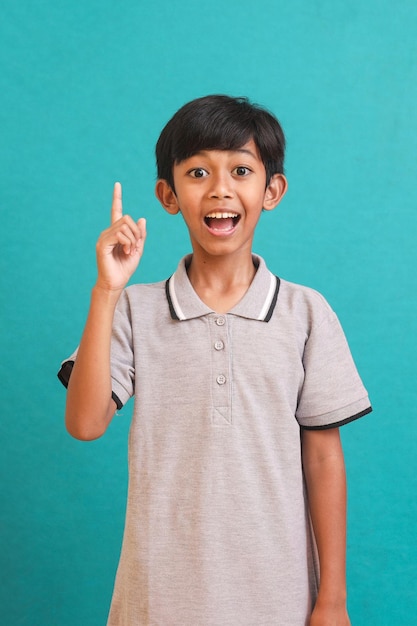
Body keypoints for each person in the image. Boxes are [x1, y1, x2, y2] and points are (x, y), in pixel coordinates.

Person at [59, 95, 372, 626]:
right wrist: (107, 290)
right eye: (198, 171)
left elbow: (323, 460)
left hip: (281, 598)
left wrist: (333, 599)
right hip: (157, 599)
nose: (220, 188)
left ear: (272, 190)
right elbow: (85, 423)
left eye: (242, 170)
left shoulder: (305, 313)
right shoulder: (136, 309)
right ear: (169, 195)